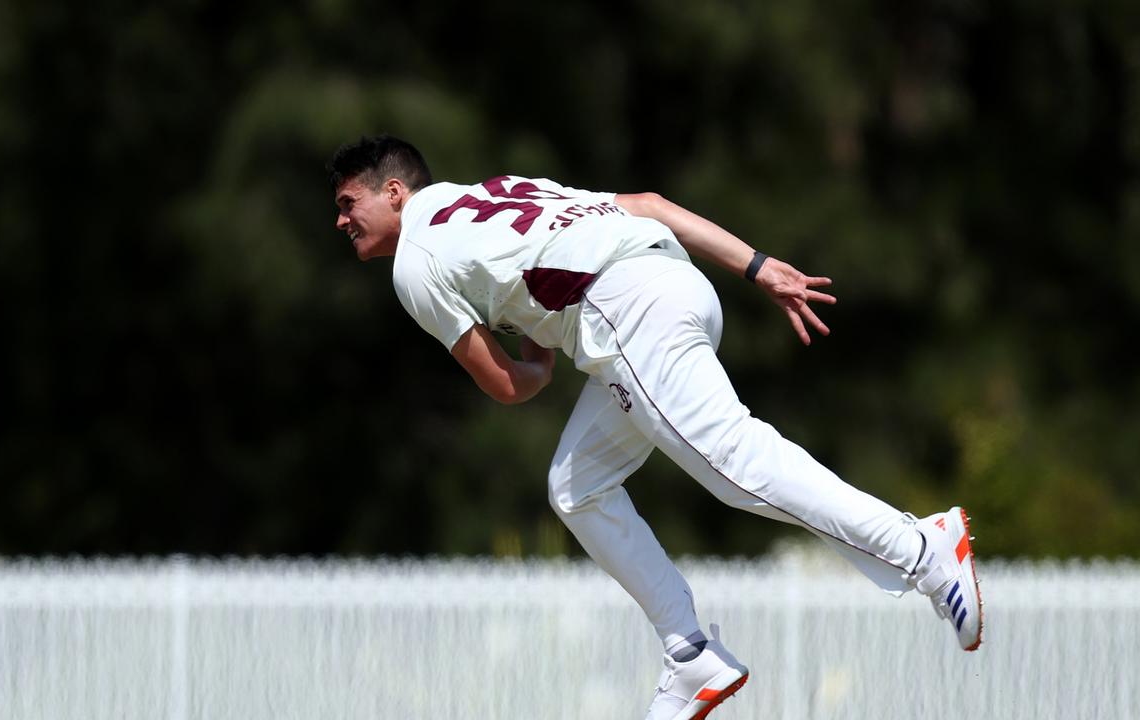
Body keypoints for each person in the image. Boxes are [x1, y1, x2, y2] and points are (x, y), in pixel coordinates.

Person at [328, 135, 983, 720]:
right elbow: (650, 203)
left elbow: (502, 383)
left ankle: (925, 552)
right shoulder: (505, 189)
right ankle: (690, 651)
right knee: (577, 486)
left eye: (349, 201)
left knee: (735, 464)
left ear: (395, 192)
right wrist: (757, 266)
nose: (341, 219)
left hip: (626, 314)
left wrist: (537, 367)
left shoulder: (414, 259)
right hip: (680, 287)